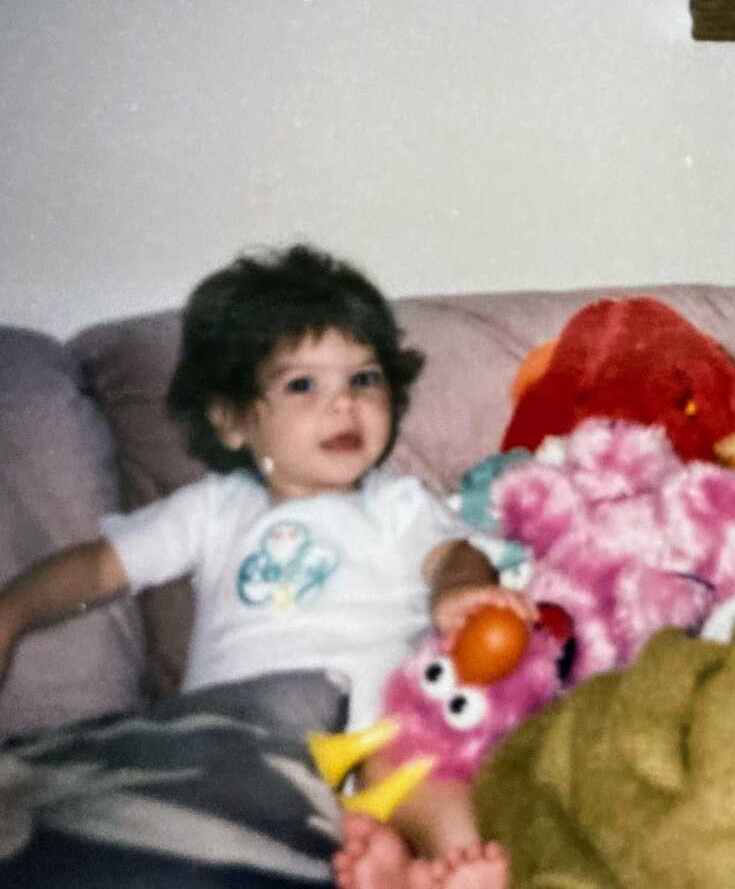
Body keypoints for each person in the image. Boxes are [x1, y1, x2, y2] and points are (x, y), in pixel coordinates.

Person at [0, 242, 522, 889]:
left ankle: (447, 868)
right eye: (303, 384)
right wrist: (12, 611)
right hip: (253, 756)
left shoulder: (396, 504)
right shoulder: (216, 510)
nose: (343, 404)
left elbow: (456, 554)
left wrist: (463, 591)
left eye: (364, 379)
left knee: (438, 782)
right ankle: (385, 867)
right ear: (233, 419)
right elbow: (101, 568)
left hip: (382, 751)